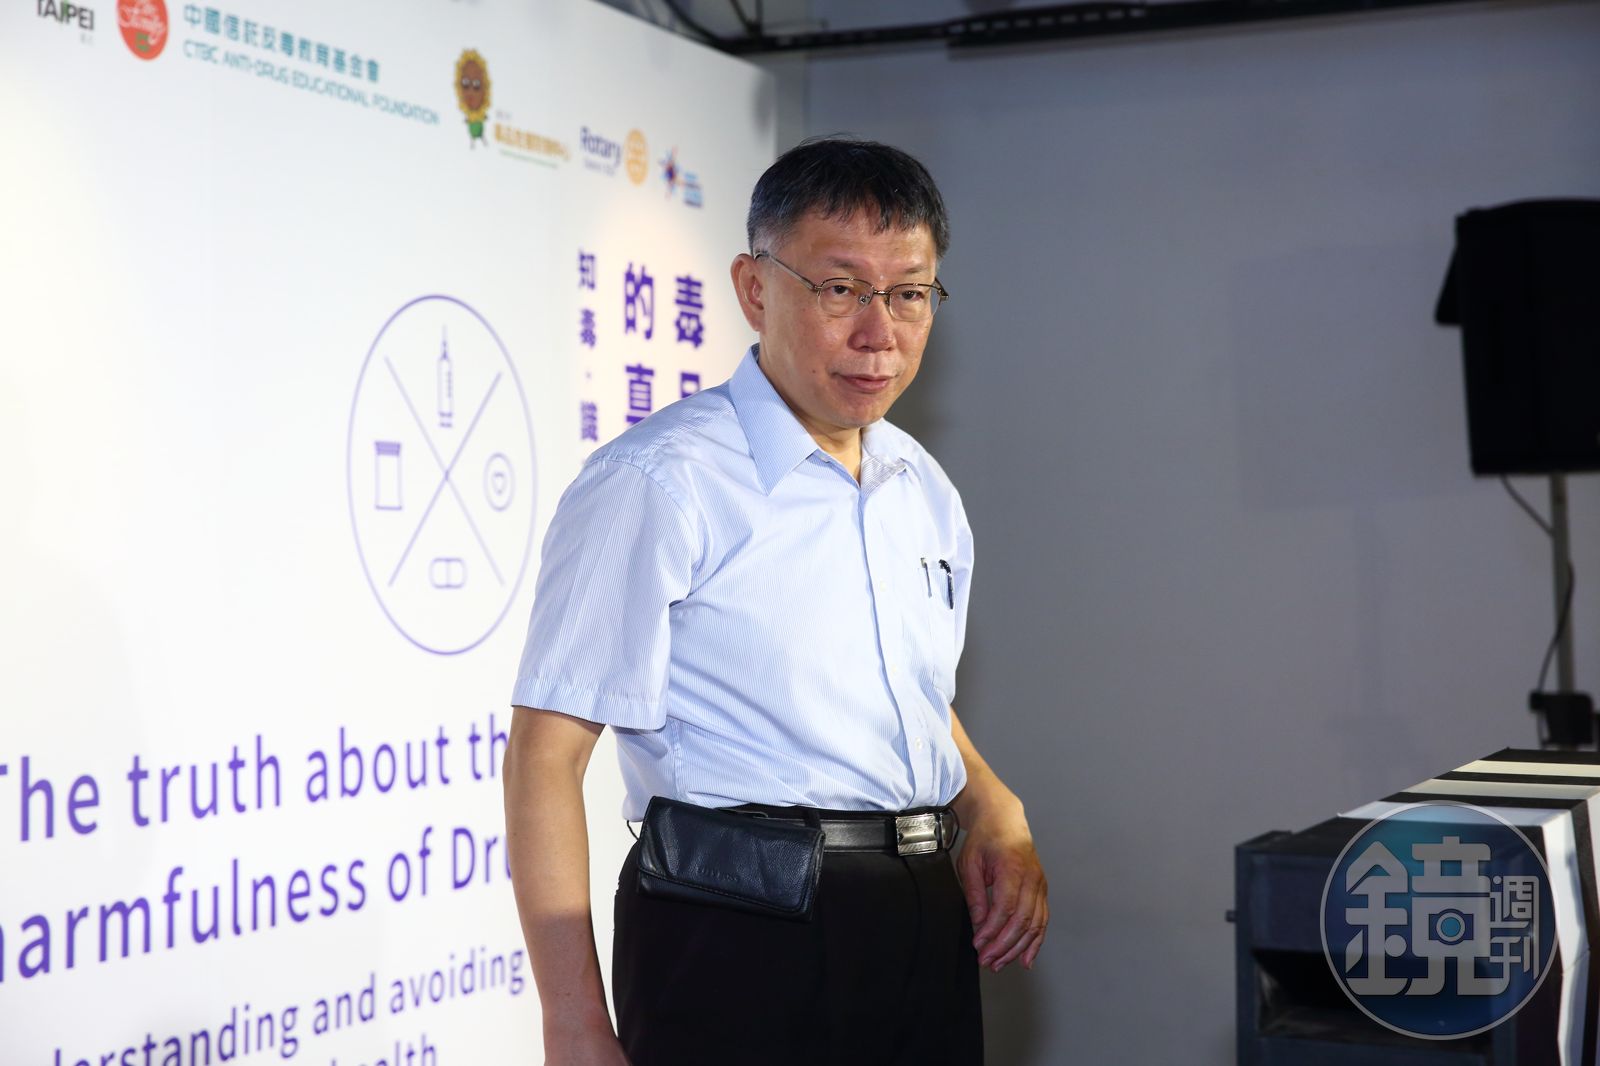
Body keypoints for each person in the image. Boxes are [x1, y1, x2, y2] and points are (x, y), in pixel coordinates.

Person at [504, 137, 1047, 1066]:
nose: (879, 332)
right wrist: (572, 1023)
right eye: (841, 289)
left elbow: (898, 693)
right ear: (754, 289)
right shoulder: (661, 480)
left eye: (910, 294)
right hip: (736, 926)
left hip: (921, 916)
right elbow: (545, 756)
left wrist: (990, 801)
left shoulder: (922, 487)